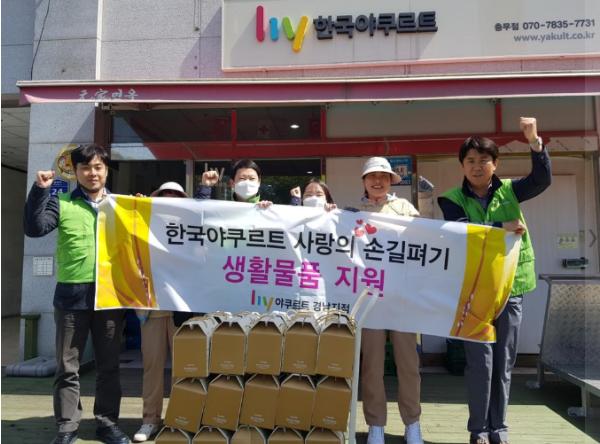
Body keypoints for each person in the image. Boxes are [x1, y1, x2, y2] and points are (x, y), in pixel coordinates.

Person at [437, 117, 551, 444]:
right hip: (474, 294)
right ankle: (478, 430)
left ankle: (498, 428)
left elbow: (541, 179)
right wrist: (501, 228)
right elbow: (462, 232)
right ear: (462, 165)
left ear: (495, 164)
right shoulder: (451, 199)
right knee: (480, 364)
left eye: (484, 160)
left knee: (503, 363)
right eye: (470, 160)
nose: (477, 166)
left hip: (511, 289)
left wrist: (534, 142)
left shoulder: (511, 190)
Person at [24, 144, 130, 444]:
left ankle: (107, 424)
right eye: (85, 167)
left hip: (111, 296)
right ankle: (67, 427)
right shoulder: (61, 202)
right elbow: (34, 228)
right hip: (71, 297)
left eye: (98, 167)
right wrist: (40, 191)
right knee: (67, 367)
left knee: (109, 366)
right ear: (75, 171)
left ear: (106, 170)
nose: (92, 173)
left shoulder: (123, 207)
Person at [354, 157, 424, 444]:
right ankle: (376, 425)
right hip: (369, 298)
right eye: (372, 176)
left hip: (402, 296)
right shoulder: (353, 213)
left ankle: (413, 423)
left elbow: (426, 239)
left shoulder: (405, 208)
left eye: (383, 176)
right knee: (371, 364)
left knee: (408, 363)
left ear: (391, 181)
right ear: (364, 181)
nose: (378, 181)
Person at [133, 182, 187, 442]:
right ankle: (150, 420)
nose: (170, 200)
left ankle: (180, 419)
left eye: (176, 196)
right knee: (152, 368)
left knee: (184, 369)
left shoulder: (191, 230)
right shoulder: (145, 225)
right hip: (152, 308)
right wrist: (135, 208)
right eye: (165, 196)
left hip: (182, 310)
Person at [196, 158, 271, 207]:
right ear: (232, 183)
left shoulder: (266, 209)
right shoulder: (223, 209)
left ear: (259, 182)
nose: (247, 182)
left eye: (252, 178)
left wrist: (267, 210)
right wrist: (205, 186)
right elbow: (200, 211)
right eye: (242, 178)